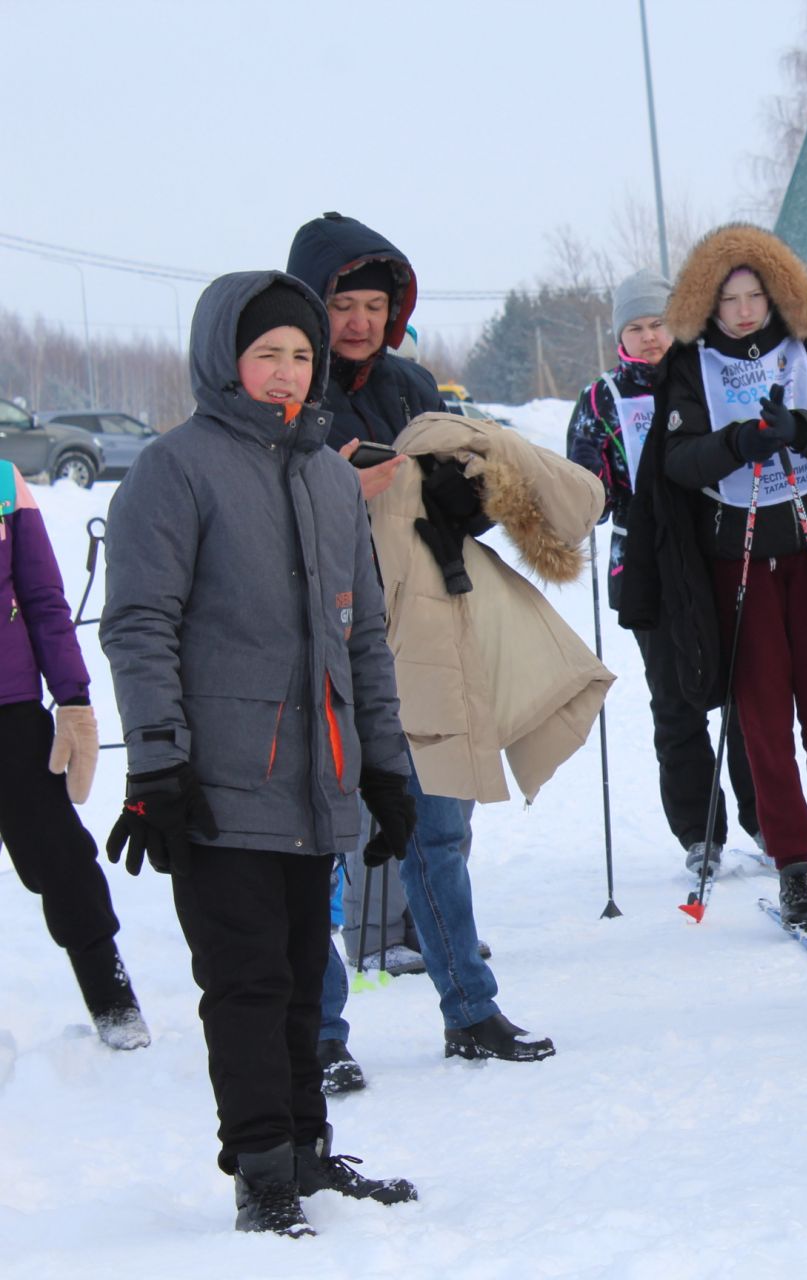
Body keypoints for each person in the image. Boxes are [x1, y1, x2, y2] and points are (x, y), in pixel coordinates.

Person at [100, 272, 417, 1236]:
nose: (288, 374)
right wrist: (157, 765)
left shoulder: (327, 473)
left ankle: (307, 1151)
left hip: (315, 778)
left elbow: (362, 636)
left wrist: (386, 765)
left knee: (298, 973)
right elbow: (140, 625)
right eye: (268, 354)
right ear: (223, 360)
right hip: (218, 781)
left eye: (302, 357)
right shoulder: (176, 469)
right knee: (246, 982)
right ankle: (262, 1172)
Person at [288, 212, 556, 1078]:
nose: (358, 320)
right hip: (319, 633)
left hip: (424, 631)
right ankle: (320, 1034)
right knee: (318, 841)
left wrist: (459, 494)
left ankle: (470, 1011)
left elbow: (466, 497)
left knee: (439, 832)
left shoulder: (409, 385)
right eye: (342, 303)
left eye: (373, 303)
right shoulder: (286, 385)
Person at [660, 224, 807, 929]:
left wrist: (799, 429)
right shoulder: (691, 364)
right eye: (729, 299)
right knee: (763, 721)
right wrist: (736, 442)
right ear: (707, 305)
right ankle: (794, 863)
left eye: (755, 296)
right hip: (734, 557)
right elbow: (676, 459)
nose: (744, 312)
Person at [567, 269, 758, 875]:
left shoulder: (709, 375)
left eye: (660, 324)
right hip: (646, 564)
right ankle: (700, 832)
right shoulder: (603, 399)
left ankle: (768, 819)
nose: (651, 338)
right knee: (675, 704)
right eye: (637, 328)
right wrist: (586, 498)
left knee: (746, 698)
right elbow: (582, 483)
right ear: (620, 336)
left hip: (718, 554)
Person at [1, 462, 149, 1049]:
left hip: (9, 712)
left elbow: (41, 597)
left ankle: (113, 1001)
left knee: (61, 859)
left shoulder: (6, 484)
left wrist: (74, 698)